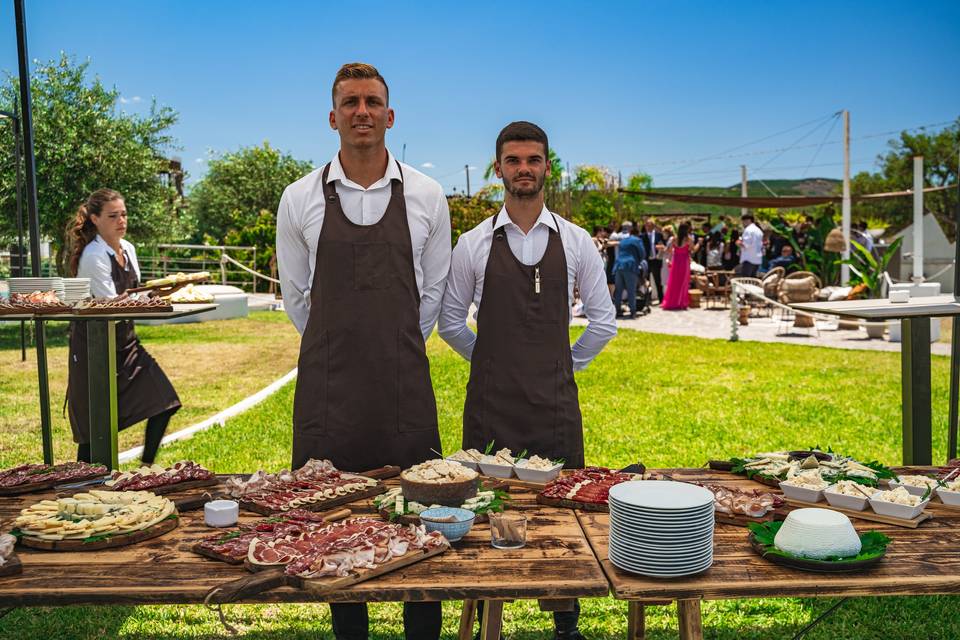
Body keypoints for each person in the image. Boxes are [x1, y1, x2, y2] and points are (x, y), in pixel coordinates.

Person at [276, 62, 450, 640]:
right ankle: (349, 630)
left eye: (372, 102)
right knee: (332, 518)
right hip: (330, 390)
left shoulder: (427, 195)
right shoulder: (299, 197)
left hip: (404, 387)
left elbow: (433, 294)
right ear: (332, 117)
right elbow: (297, 297)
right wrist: (335, 344)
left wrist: (393, 344)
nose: (361, 112)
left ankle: (421, 630)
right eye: (350, 102)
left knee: (421, 514)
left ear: (390, 115)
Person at [439, 121, 616, 640]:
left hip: (554, 405)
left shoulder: (578, 241)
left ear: (546, 167)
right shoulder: (472, 244)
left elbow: (603, 321)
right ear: (499, 170)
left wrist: (565, 363)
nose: (523, 168)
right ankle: (484, 613)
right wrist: (488, 361)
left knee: (563, 516)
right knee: (486, 508)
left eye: (533, 159)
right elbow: (450, 321)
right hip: (491, 404)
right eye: (513, 160)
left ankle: (565, 624)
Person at [67, 189, 180, 464]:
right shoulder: (94, 256)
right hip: (95, 346)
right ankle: (80, 486)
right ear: (95, 219)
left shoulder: (128, 248)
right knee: (94, 433)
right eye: (113, 215)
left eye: (124, 214)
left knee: (164, 401)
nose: (121, 221)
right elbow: (111, 305)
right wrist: (148, 300)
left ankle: (145, 468)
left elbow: (135, 295)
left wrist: (160, 293)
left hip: (125, 342)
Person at [661, 223, 700, 311]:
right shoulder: (688, 239)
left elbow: (669, 250)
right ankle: (681, 302)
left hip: (676, 261)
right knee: (683, 282)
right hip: (684, 262)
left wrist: (670, 259)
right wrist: (699, 244)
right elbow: (693, 250)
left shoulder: (674, 239)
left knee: (674, 282)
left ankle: (672, 302)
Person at [611, 224, 646, 319]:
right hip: (630, 266)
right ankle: (632, 311)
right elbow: (642, 254)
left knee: (618, 290)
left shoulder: (623, 241)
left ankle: (617, 311)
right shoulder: (637, 240)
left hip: (619, 266)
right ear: (638, 233)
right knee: (631, 290)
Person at [640, 219, 665, 303]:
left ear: (653, 226)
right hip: (646, 261)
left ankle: (661, 299)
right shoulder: (642, 236)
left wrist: (660, 247)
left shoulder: (659, 235)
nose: (648, 227)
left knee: (657, 280)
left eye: (650, 225)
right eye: (646, 225)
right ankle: (647, 299)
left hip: (656, 260)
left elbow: (663, 245)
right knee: (646, 281)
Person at [660, 224, 675, 291]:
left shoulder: (671, 239)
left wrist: (663, 248)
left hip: (669, 261)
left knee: (668, 279)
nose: (663, 235)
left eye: (664, 233)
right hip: (667, 260)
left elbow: (670, 250)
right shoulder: (669, 240)